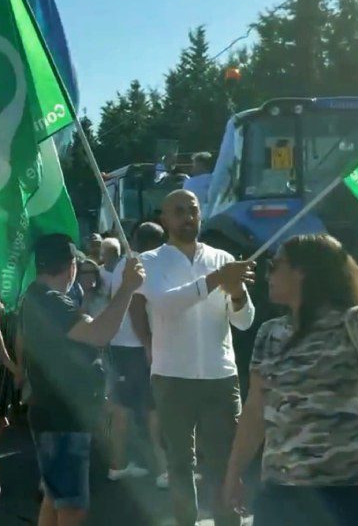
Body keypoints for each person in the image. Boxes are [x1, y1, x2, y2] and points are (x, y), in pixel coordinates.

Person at [222, 226, 358, 525]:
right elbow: (255, 411)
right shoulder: (270, 333)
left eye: (275, 266)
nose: (267, 275)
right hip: (285, 493)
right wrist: (233, 475)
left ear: (304, 272)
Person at [130, 190, 255, 526]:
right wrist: (217, 280)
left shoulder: (222, 258)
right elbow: (165, 304)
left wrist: (239, 294)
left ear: (201, 215)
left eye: (193, 211)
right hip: (172, 377)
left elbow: (244, 321)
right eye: (179, 211)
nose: (187, 217)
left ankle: (226, 521)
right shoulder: (151, 261)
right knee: (180, 463)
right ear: (165, 219)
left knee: (224, 462)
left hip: (220, 376)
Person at [20, 233, 146, 526]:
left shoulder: (39, 296)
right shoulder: (48, 301)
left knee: (55, 498)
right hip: (62, 418)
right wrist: (127, 289)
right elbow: (99, 333)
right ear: (70, 266)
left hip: (55, 415)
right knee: (72, 506)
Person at [107, 222, 169, 486]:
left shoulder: (123, 263)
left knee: (123, 407)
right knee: (153, 408)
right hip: (136, 348)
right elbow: (136, 307)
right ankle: (164, 470)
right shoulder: (143, 265)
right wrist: (147, 343)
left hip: (120, 347)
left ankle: (118, 465)